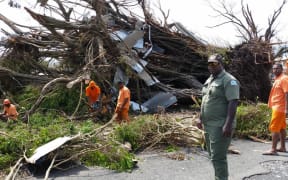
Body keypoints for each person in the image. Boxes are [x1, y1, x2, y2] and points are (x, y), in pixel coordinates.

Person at [196, 54, 240, 180]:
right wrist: (200, 118)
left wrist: (228, 124)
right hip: (208, 124)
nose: (211, 66)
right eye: (209, 63)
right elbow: (205, 99)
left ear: (221, 64)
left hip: (220, 125)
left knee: (218, 157)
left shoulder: (229, 80)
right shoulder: (210, 80)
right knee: (212, 155)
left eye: (214, 63)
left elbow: (233, 102)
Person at [263, 63, 288, 155]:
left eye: (277, 68)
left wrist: (286, 109)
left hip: (280, 108)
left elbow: (287, 94)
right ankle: (282, 147)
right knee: (281, 128)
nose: (275, 70)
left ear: (281, 69)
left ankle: (273, 150)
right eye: (273, 69)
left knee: (274, 127)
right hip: (277, 107)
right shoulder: (278, 79)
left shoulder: (284, 78)